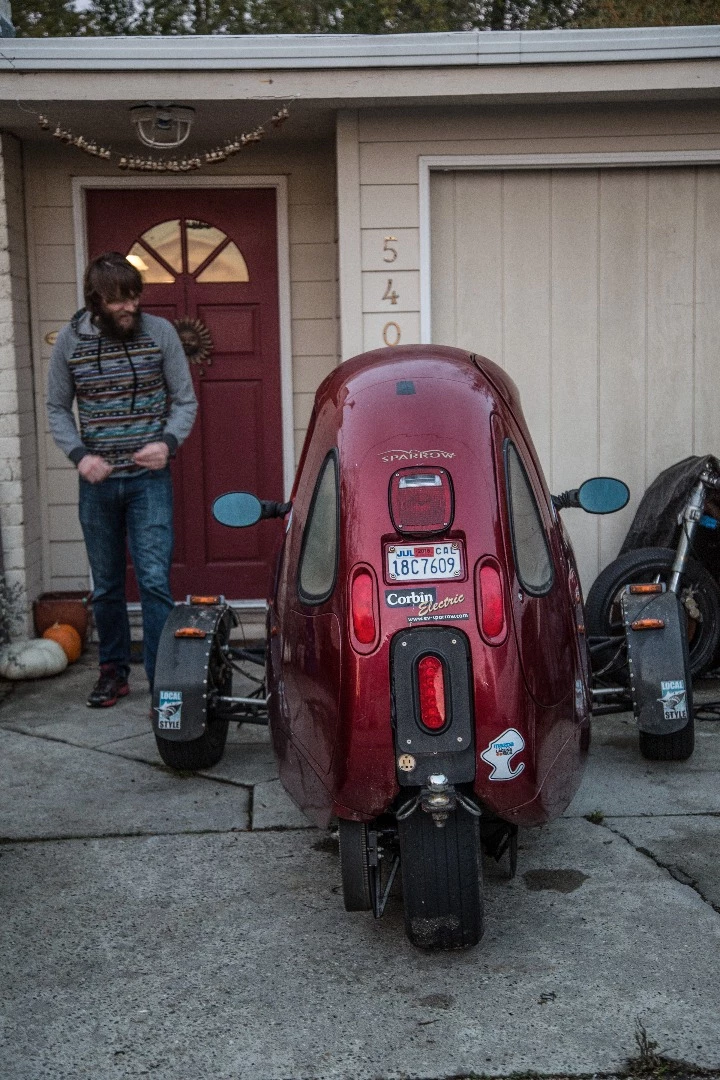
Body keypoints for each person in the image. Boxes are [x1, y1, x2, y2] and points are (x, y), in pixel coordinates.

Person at [47, 252, 198, 707]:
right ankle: (113, 672)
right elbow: (56, 406)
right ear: (96, 302)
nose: (130, 307)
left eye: (135, 296)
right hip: (97, 483)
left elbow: (184, 400)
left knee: (153, 581)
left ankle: (161, 679)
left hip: (148, 482)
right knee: (109, 584)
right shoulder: (70, 343)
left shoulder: (161, 334)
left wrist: (168, 443)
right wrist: (78, 456)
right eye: (119, 300)